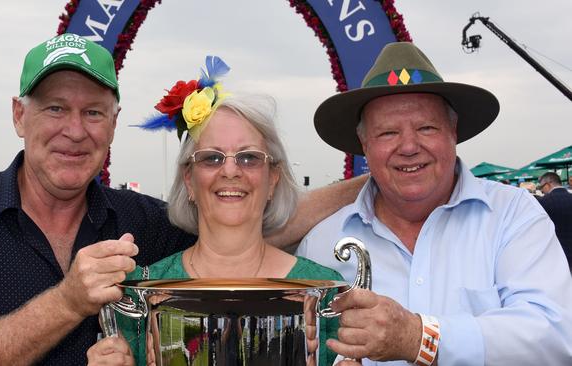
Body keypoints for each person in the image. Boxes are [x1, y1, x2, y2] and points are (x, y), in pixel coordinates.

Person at [0, 36, 366, 365]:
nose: (75, 130)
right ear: (20, 115)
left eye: (93, 112)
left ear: (114, 124)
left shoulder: (144, 224)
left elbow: (238, 219)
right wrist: (69, 302)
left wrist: (377, 183)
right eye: (55, 108)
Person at [298, 42, 572, 365]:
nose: (409, 146)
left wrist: (419, 337)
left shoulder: (514, 215)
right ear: (364, 144)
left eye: (426, 128)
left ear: (453, 132)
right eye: (388, 133)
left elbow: (556, 337)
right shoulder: (319, 245)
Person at [86, 58, 344, 366]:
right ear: (189, 180)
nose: (231, 171)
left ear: (273, 179)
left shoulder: (325, 290)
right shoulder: (143, 292)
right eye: (211, 158)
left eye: (249, 158)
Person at [537, 171, 572, 271]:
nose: (542, 190)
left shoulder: (543, 202)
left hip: (556, 254)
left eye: (541, 187)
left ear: (548, 185)